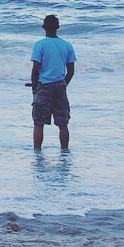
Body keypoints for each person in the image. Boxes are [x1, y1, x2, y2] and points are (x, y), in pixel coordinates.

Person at [31, 14, 75, 150]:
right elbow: (71, 71)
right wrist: (63, 83)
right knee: (63, 123)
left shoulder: (40, 45)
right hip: (60, 84)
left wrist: (34, 88)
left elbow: (35, 70)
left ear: (43, 27)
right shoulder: (66, 45)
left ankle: (37, 152)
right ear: (58, 27)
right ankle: (64, 152)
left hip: (43, 85)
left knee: (39, 122)